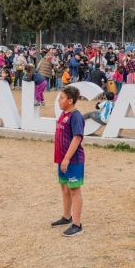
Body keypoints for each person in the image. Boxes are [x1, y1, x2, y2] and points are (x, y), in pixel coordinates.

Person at [51, 85, 86, 237]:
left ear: (70, 100)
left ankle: (77, 224)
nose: (59, 100)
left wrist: (66, 158)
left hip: (73, 160)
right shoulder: (63, 113)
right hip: (62, 160)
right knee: (65, 188)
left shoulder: (76, 116)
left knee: (74, 190)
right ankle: (66, 217)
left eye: (62, 98)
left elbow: (77, 138)